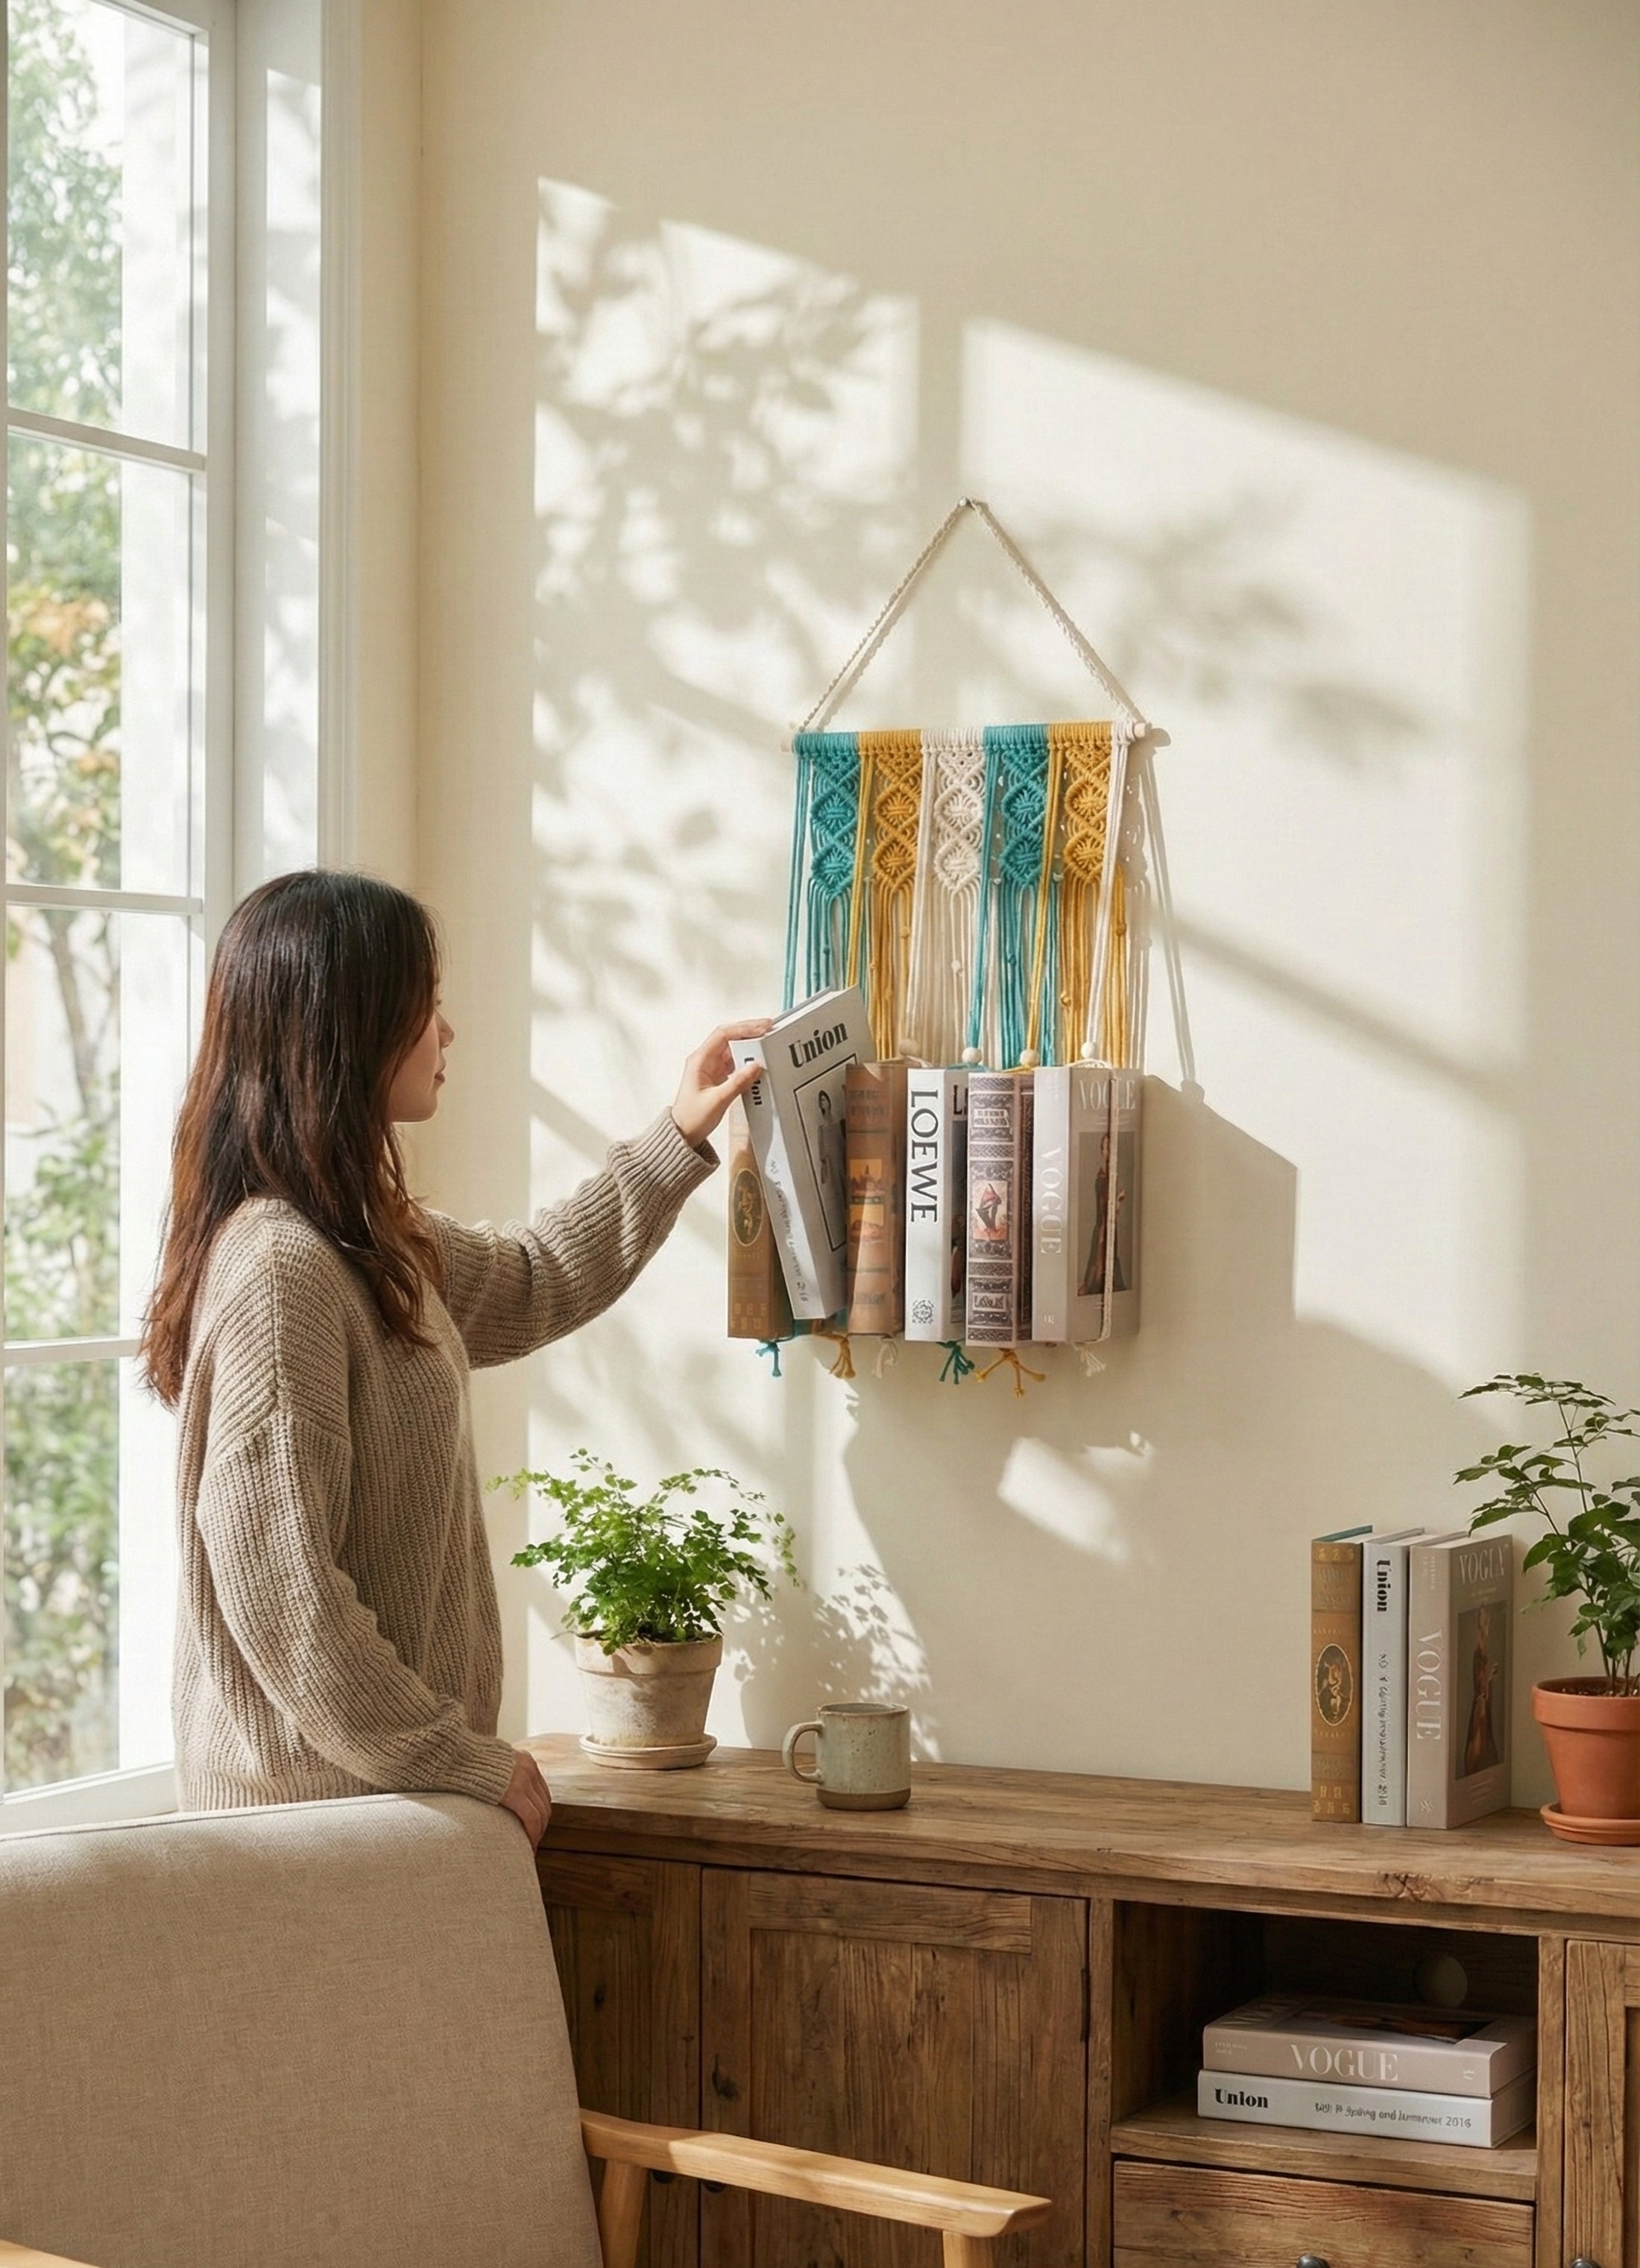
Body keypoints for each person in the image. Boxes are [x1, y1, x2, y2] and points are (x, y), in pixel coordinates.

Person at [140, 871, 766, 1848]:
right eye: (425, 1002)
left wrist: (678, 1132)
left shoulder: (364, 1240)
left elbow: (532, 1275)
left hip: (377, 1809)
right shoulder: (280, 1269)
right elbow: (287, 1600)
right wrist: (459, 1757)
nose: (448, 1030)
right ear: (349, 1028)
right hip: (308, 1837)